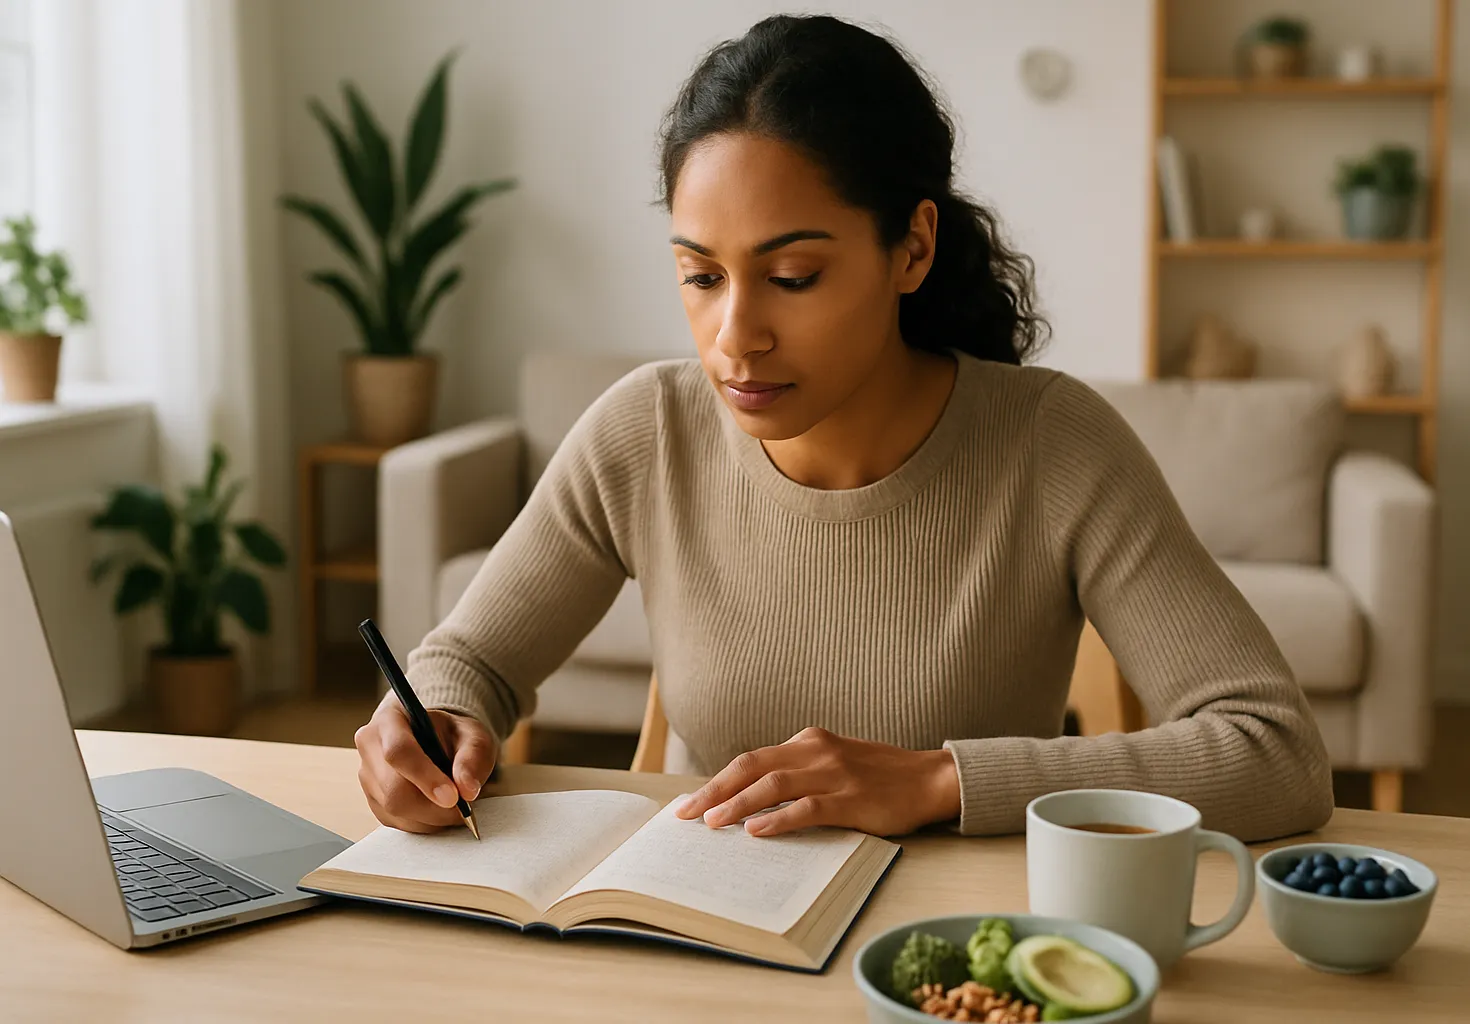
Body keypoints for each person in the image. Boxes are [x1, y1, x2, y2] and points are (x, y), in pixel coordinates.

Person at [353, 13, 1333, 844]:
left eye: (793, 277)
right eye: (700, 275)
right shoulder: (646, 431)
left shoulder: (1054, 445)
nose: (735, 338)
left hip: (943, 963)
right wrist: (429, 720)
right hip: (705, 933)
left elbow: (1275, 750)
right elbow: (468, 661)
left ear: (911, 248)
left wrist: (940, 782)